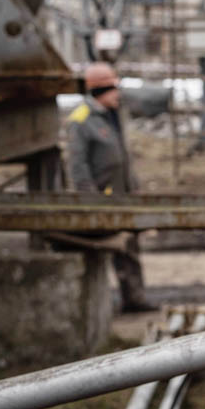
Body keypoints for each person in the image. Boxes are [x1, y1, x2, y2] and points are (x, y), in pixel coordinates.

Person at [65, 62, 155, 313]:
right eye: (113, 89)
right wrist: (91, 202)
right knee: (110, 250)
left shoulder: (113, 115)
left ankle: (134, 299)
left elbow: (123, 158)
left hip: (123, 196)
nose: (118, 94)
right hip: (102, 199)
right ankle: (106, 304)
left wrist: (133, 187)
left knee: (130, 249)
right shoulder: (81, 121)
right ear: (99, 91)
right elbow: (77, 166)